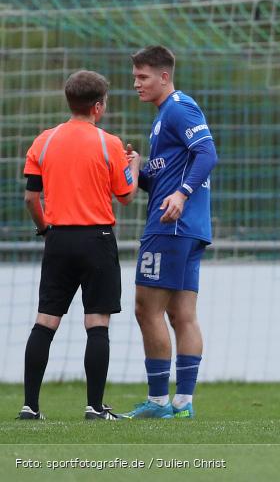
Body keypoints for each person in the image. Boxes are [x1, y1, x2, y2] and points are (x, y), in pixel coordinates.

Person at [18, 70, 140, 420]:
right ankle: (95, 407)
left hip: (58, 239)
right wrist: (134, 165)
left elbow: (30, 197)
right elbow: (126, 196)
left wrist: (45, 230)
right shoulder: (109, 144)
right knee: (97, 322)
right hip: (97, 239)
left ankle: (30, 406)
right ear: (98, 107)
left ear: (69, 101)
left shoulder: (45, 140)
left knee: (45, 321)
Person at [122, 46, 218, 420]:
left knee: (147, 309)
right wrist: (139, 169)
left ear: (164, 76)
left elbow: (207, 154)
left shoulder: (179, 107)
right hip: (187, 227)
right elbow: (163, 179)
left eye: (143, 77)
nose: (136, 84)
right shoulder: (164, 116)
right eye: (134, 77)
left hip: (171, 226)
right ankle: (182, 404)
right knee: (181, 315)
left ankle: (159, 401)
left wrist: (181, 193)